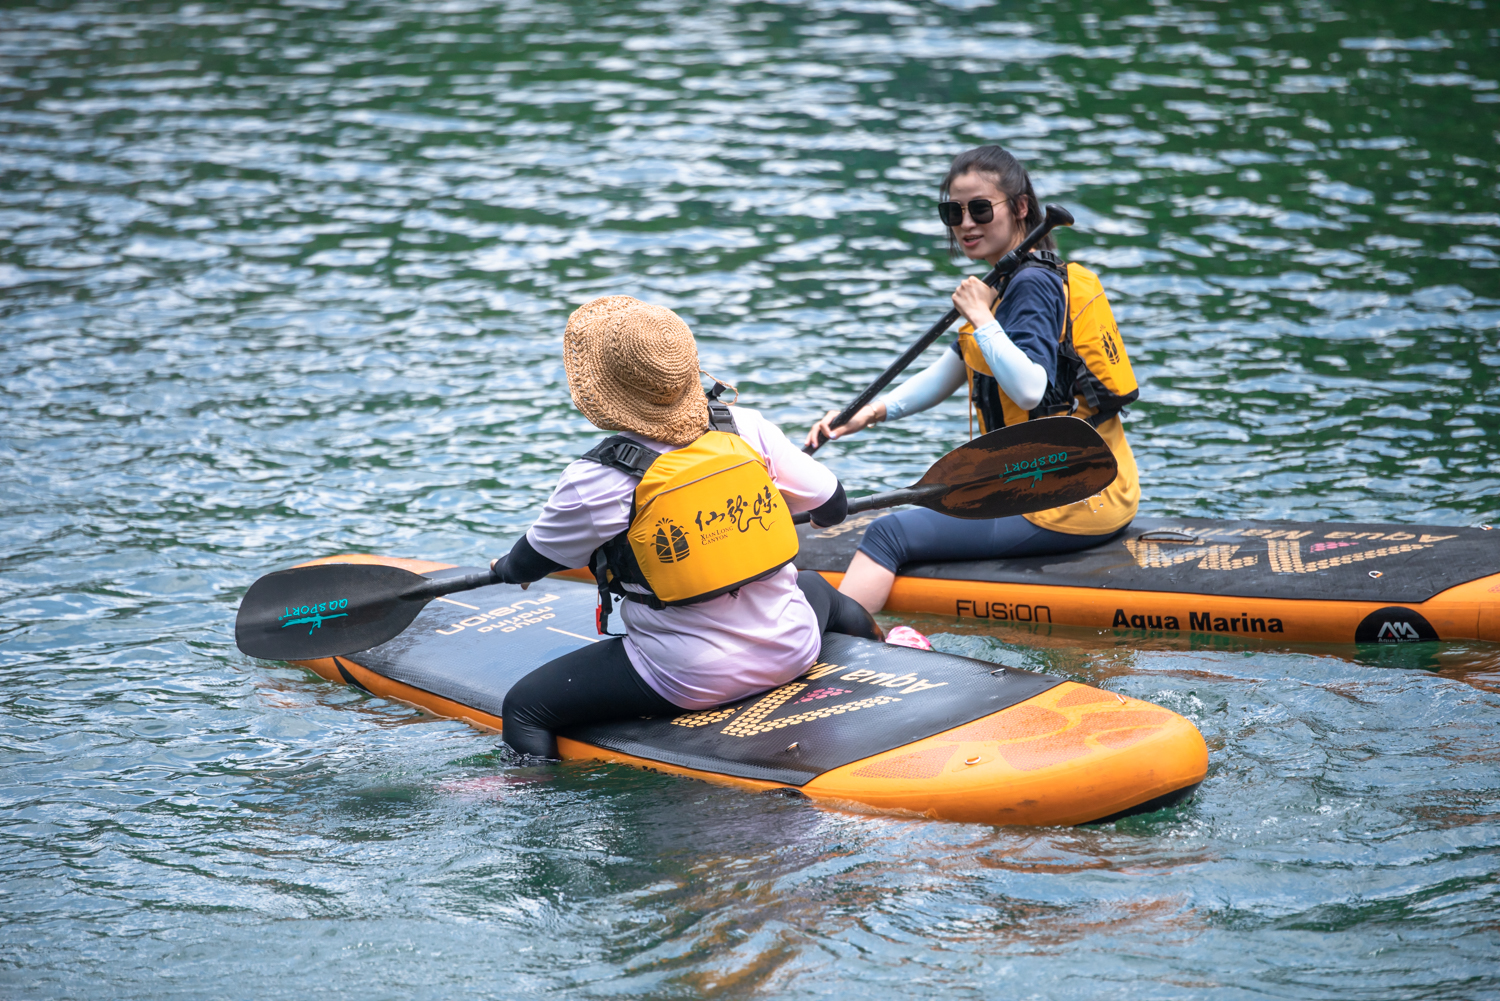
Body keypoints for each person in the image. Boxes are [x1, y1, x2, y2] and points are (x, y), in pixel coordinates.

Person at [487, 295, 881, 759]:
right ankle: (887, 648)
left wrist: (507, 568)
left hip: (688, 678)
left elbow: (532, 559)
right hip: (793, 647)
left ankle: (532, 795)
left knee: (523, 708)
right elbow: (832, 507)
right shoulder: (743, 426)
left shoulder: (598, 477)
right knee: (820, 591)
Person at [805, 144, 1142, 613]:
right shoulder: (1010, 280)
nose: (966, 223)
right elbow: (949, 372)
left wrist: (982, 318)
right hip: (1095, 490)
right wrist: (867, 414)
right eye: (953, 211)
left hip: (1064, 502)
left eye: (980, 208)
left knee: (888, 532)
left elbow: (1031, 389)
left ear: (1021, 208)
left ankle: (834, 650)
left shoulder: (1029, 285)